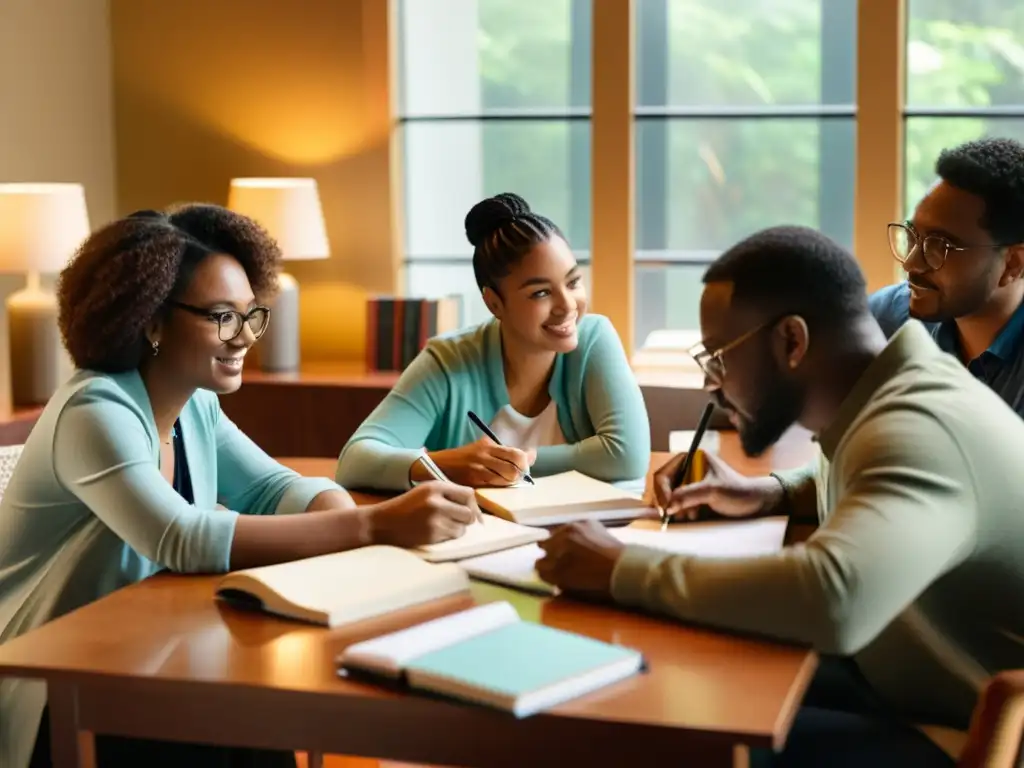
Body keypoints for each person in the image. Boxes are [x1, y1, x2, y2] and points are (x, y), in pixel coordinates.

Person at [0, 205, 479, 768]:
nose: (244, 337)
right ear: (150, 319)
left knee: (259, 719)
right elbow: (181, 537)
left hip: (146, 653)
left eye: (252, 315)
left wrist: (338, 509)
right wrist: (373, 525)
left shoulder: (193, 404)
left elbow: (274, 488)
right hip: (54, 685)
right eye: (222, 316)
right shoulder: (94, 411)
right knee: (243, 724)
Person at [535, 225, 1024, 766]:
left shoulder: (917, 428)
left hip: (974, 732)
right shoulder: (897, 391)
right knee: (682, 676)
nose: (711, 384)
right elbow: (875, 481)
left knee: (683, 729)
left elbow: (831, 598)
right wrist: (765, 493)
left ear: (793, 341)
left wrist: (621, 567)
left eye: (718, 357)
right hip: (906, 679)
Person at [335, 192, 650, 492]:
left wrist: (523, 460)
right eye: (541, 292)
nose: (567, 305)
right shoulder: (448, 362)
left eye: (573, 282)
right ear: (494, 303)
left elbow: (627, 455)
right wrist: (446, 464)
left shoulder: (593, 337)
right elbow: (354, 461)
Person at [870, 137, 1024, 415]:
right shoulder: (886, 321)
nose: (910, 263)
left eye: (941, 246)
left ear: (1013, 264)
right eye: (912, 237)